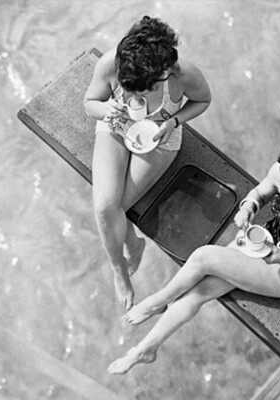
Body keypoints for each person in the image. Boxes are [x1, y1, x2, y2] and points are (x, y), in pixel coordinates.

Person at [108, 137, 280, 374]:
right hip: (271, 239)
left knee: (203, 258)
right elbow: (260, 193)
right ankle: (145, 349)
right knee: (200, 292)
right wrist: (248, 207)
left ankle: (156, 302)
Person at [83, 16, 212, 310]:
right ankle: (119, 269)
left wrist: (174, 121)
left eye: (140, 91)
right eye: (128, 88)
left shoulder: (183, 75)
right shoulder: (110, 63)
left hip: (159, 138)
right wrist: (106, 108)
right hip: (116, 127)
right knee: (104, 207)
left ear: (162, 74)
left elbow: (203, 100)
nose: (133, 95)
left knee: (118, 207)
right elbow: (90, 103)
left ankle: (135, 245)